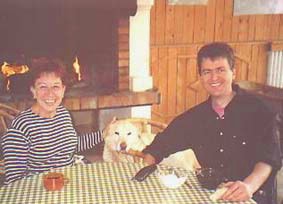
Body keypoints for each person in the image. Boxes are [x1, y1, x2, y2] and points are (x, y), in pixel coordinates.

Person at [142, 42, 282, 204]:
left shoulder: (260, 110)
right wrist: (143, 175)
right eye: (207, 72)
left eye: (220, 70)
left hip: (254, 194)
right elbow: (159, 146)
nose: (214, 78)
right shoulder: (194, 118)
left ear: (233, 72)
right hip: (212, 194)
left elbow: (269, 158)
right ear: (200, 77)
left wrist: (249, 186)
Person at [1, 58, 104, 184]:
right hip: (39, 192)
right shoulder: (22, 127)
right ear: (33, 91)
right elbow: (14, 180)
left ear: (63, 90)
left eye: (56, 86)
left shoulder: (63, 114)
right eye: (43, 87)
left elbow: (71, 146)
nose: (50, 94)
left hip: (68, 182)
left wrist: (103, 134)